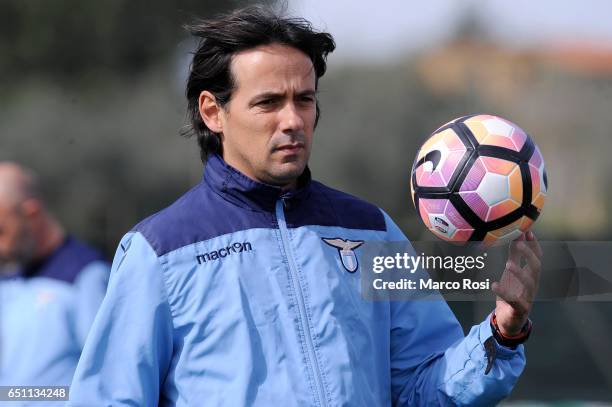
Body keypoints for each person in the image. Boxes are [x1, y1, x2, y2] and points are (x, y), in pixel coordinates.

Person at [69, 6, 542, 406]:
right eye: (269, 102)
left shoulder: (371, 230)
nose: (293, 120)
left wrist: (503, 330)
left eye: (305, 99)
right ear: (213, 111)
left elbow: (425, 388)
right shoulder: (161, 250)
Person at [0, 162, 109, 388]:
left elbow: (107, 378)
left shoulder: (87, 275)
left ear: (32, 213)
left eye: (1, 231)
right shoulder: (9, 276)